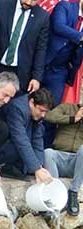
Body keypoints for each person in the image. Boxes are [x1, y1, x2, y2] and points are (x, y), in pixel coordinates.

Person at [0, 0, 49, 93]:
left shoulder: (43, 17)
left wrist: (36, 78)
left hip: (20, 73)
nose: (29, 3)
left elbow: (41, 49)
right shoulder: (1, 5)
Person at [42, 0, 83, 147]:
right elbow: (58, 26)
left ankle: (43, 156)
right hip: (40, 64)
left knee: (52, 112)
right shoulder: (65, 6)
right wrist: (80, 36)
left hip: (60, 71)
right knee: (26, 106)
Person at [0, 88, 54, 182]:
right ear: (32, 102)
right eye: (41, 110)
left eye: (46, 112)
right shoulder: (17, 108)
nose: (43, 115)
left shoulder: (36, 114)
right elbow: (21, 140)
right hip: (2, 145)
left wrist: (39, 167)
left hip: (14, 145)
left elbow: (37, 141)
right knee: (20, 142)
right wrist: (36, 168)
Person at [44, 102, 83, 215]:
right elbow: (49, 116)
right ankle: (54, 192)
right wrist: (74, 118)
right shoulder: (67, 107)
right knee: (47, 153)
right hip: (59, 157)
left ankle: (73, 192)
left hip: (77, 162)